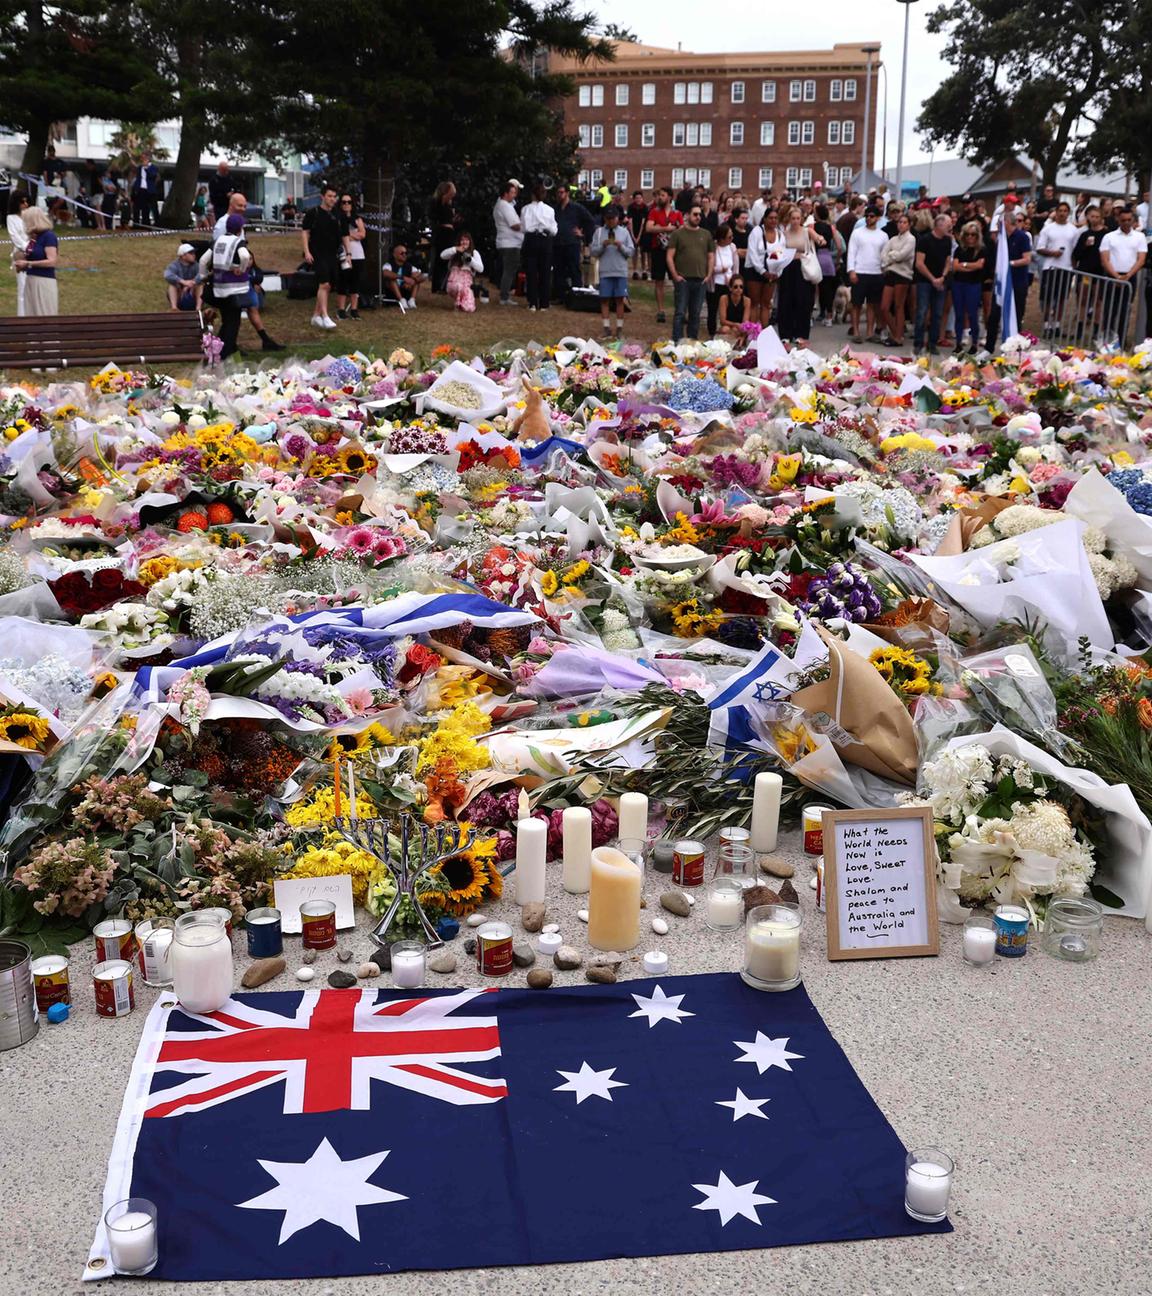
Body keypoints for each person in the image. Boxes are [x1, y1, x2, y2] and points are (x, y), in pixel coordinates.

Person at [200, 213, 251, 359]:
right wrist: (241, 269)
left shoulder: (217, 241)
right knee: (233, 323)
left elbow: (203, 261)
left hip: (218, 288)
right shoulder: (238, 242)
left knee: (226, 320)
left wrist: (204, 276)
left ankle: (216, 350)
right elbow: (245, 256)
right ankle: (224, 353)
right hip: (234, 289)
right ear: (239, 229)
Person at [666, 204, 715, 342]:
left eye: (700, 214)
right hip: (683, 280)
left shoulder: (706, 234)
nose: (698, 217)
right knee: (680, 313)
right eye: (695, 214)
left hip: (700, 280)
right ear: (687, 215)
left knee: (695, 314)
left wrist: (709, 274)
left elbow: (711, 256)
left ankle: (692, 343)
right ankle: (677, 341)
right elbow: (670, 256)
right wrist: (675, 275)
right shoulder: (677, 234)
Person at [1099, 207, 1147, 346]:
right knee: (1109, 310)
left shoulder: (1140, 237)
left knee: (1124, 311)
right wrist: (1116, 276)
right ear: (1118, 220)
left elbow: (1141, 259)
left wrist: (1128, 275)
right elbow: (1105, 259)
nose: (1126, 223)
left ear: (1133, 220)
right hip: (1111, 276)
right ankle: (1106, 341)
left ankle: (1120, 340)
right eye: (1123, 220)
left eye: (1129, 220)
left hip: (1129, 277)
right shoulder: (1109, 236)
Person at [301, 185, 344, 329]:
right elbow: (305, 232)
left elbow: (343, 235)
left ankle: (315, 316)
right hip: (317, 253)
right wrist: (307, 251)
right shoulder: (313, 213)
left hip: (332, 253)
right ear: (323, 197)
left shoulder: (337, 214)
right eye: (329, 196)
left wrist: (347, 253)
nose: (332, 199)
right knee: (324, 284)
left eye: (334, 196)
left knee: (328, 286)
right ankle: (325, 316)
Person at [776, 204, 819, 346]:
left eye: (798, 218)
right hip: (788, 269)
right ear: (789, 219)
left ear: (801, 219)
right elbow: (779, 250)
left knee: (804, 301)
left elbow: (818, 238)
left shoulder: (806, 231)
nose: (795, 221)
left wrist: (820, 239)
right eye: (793, 218)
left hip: (803, 268)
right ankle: (785, 334)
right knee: (786, 301)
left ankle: (801, 334)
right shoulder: (784, 233)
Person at [1034, 200, 1079, 335]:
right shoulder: (1048, 229)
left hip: (1066, 268)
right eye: (1060, 211)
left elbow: (1075, 250)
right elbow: (1039, 248)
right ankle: (1047, 325)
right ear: (1056, 212)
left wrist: (1074, 267)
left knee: (1061, 298)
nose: (1062, 213)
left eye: (1065, 211)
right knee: (1048, 298)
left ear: (1068, 213)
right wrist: (1052, 253)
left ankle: (1057, 325)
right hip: (1050, 267)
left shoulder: (1073, 230)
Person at [590, 207, 634, 339]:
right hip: (605, 271)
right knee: (604, 300)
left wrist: (621, 246)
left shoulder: (624, 232)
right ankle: (606, 328)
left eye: (613, 218)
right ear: (604, 219)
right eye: (608, 219)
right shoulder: (598, 232)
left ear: (617, 218)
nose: (611, 221)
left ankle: (619, 329)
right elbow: (593, 252)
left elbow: (631, 252)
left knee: (620, 300)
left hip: (620, 271)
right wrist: (602, 246)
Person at [913, 213, 953, 354]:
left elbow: (948, 261)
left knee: (937, 313)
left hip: (940, 281)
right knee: (922, 312)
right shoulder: (924, 240)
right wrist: (932, 278)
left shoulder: (947, 241)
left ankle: (932, 343)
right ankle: (918, 343)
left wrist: (943, 276)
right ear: (939, 225)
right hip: (925, 281)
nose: (950, 227)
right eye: (948, 225)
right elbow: (919, 263)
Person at [846, 206, 888, 342]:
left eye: (872, 216)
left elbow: (885, 255)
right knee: (856, 304)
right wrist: (851, 270)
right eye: (867, 216)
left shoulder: (883, 235)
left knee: (872, 304)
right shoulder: (857, 233)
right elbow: (851, 252)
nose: (869, 218)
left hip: (876, 272)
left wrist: (884, 269)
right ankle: (856, 332)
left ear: (878, 218)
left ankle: (870, 332)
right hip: (860, 271)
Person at [644, 188, 682, 324]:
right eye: (659, 195)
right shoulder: (654, 212)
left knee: (677, 281)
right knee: (659, 280)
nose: (660, 197)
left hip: (673, 251)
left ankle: (680, 310)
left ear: (670, 197)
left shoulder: (677, 213)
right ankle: (661, 310)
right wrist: (666, 228)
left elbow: (682, 230)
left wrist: (672, 228)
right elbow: (648, 228)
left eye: (663, 195)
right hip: (658, 250)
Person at [551, 184, 594, 301]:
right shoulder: (555, 209)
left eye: (562, 192)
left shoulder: (577, 208)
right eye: (558, 193)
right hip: (558, 243)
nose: (559, 195)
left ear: (567, 193)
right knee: (558, 270)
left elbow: (590, 221)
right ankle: (559, 296)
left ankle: (577, 295)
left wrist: (583, 234)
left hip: (572, 243)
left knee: (574, 269)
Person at [880, 212, 915, 346]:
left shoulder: (911, 239)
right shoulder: (893, 239)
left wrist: (891, 256)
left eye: (904, 222)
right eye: (899, 222)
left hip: (903, 275)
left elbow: (902, 255)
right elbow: (883, 254)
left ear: (909, 224)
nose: (901, 225)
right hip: (890, 273)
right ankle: (895, 332)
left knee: (899, 306)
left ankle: (898, 336)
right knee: (884, 306)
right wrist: (892, 257)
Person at [16, 205, 59, 316]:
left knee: (44, 314)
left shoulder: (48, 236)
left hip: (43, 281)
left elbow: (52, 261)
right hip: (30, 280)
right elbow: (29, 256)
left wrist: (29, 263)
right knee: (31, 315)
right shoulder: (34, 238)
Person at [521, 184, 557, 312]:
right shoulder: (550, 210)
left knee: (531, 271)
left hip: (531, 239)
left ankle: (532, 302)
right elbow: (554, 229)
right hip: (545, 239)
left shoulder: (526, 209)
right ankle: (544, 303)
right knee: (545, 271)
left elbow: (524, 228)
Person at [951, 221, 986, 352]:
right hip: (958, 284)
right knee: (959, 314)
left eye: (973, 235)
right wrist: (970, 266)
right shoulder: (959, 250)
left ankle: (974, 343)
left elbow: (980, 265)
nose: (970, 237)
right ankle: (958, 343)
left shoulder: (981, 250)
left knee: (973, 315)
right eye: (967, 235)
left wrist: (963, 265)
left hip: (973, 285)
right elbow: (955, 267)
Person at [493, 180, 523, 307]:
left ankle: (505, 294)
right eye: (512, 192)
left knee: (508, 269)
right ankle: (504, 296)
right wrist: (526, 225)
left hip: (507, 242)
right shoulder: (505, 206)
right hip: (510, 243)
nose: (514, 195)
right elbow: (515, 225)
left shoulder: (502, 204)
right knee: (509, 270)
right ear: (505, 193)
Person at [335, 194, 366, 319]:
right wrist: (351, 235)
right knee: (343, 281)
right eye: (343, 202)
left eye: (349, 202)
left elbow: (362, 234)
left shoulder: (357, 219)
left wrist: (348, 235)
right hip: (343, 253)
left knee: (355, 282)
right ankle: (341, 309)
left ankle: (354, 309)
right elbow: (340, 235)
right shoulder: (337, 218)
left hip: (358, 254)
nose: (346, 204)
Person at [707, 222, 739, 336]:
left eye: (732, 236)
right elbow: (709, 266)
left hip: (728, 283)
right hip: (715, 283)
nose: (731, 238)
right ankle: (712, 332)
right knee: (713, 309)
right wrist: (720, 269)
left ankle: (728, 331)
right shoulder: (713, 247)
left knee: (728, 309)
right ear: (721, 238)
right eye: (729, 237)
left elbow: (735, 266)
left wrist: (735, 280)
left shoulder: (732, 247)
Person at [440, 231, 484, 311]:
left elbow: (481, 269)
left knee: (469, 308)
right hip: (453, 281)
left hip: (467, 282)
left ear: (470, 241)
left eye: (467, 240)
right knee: (458, 286)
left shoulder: (474, 252)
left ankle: (461, 302)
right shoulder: (454, 252)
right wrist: (455, 249)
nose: (464, 242)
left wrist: (470, 260)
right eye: (462, 240)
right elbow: (442, 255)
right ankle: (457, 303)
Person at [429, 181, 458, 293]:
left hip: (449, 232)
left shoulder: (449, 204)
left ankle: (444, 284)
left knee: (447, 259)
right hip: (443, 233)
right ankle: (437, 285)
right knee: (441, 259)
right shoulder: (439, 202)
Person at [381, 243, 427, 308]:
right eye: (402, 253)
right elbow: (386, 273)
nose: (404, 255)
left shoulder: (409, 265)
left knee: (416, 281)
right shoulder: (388, 264)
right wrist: (403, 278)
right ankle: (401, 300)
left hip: (405, 289)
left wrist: (413, 280)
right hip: (392, 292)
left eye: (406, 253)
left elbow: (423, 276)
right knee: (392, 280)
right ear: (394, 255)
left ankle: (412, 300)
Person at [7, 192, 29, 316]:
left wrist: (33, 248)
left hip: (34, 254)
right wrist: (27, 248)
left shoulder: (29, 215)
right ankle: (22, 318)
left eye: (26, 201)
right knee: (22, 287)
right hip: (20, 255)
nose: (25, 204)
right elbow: (15, 237)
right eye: (23, 202)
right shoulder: (11, 218)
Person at [164, 242, 203, 311]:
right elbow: (167, 275)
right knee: (172, 285)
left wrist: (192, 283)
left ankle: (198, 308)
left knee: (200, 285)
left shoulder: (196, 265)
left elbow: (202, 274)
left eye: (194, 253)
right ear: (183, 256)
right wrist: (183, 282)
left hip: (192, 292)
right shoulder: (174, 265)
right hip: (179, 293)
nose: (194, 255)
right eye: (191, 253)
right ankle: (174, 308)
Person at [131, 153, 161, 226]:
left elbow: (153, 176)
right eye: (142, 158)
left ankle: (157, 224)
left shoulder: (153, 167)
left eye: (144, 158)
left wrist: (146, 168)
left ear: (148, 158)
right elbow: (138, 178)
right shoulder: (139, 168)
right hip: (141, 190)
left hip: (150, 190)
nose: (142, 159)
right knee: (144, 208)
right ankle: (144, 224)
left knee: (154, 208)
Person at [626, 190, 648, 279]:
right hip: (633, 229)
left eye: (640, 198)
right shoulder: (631, 207)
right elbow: (630, 221)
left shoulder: (645, 207)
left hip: (642, 231)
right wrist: (633, 236)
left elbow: (643, 222)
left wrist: (638, 237)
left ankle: (644, 270)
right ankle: (635, 270)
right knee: (634, 251)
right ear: (634, 199)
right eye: (637, 198)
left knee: (643, 252)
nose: (638, 200)